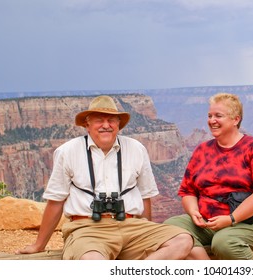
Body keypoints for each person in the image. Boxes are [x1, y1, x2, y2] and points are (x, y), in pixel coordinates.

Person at [16, 95, 193, 260]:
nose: (105, 125)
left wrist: (146, 231)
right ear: (87, 124)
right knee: (93, 261)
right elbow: (55, 201)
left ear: (119, 124)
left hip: (131, 225)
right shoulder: (67, 152)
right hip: (88, 228)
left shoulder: (136, 148)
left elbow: (145, 196)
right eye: (99, 120)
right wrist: (39, 245)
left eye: (111, 120)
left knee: (183, 241)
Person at [164, 92, 253, 260]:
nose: (212, 120)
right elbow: (188, 191)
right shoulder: (202, 150)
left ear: (235, 119)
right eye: (209, 116)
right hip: (207, 221)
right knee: (169, 228)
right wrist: (194, 212)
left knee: (224, 242)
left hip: (247, 222)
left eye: (218, 116)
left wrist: (231, 219)